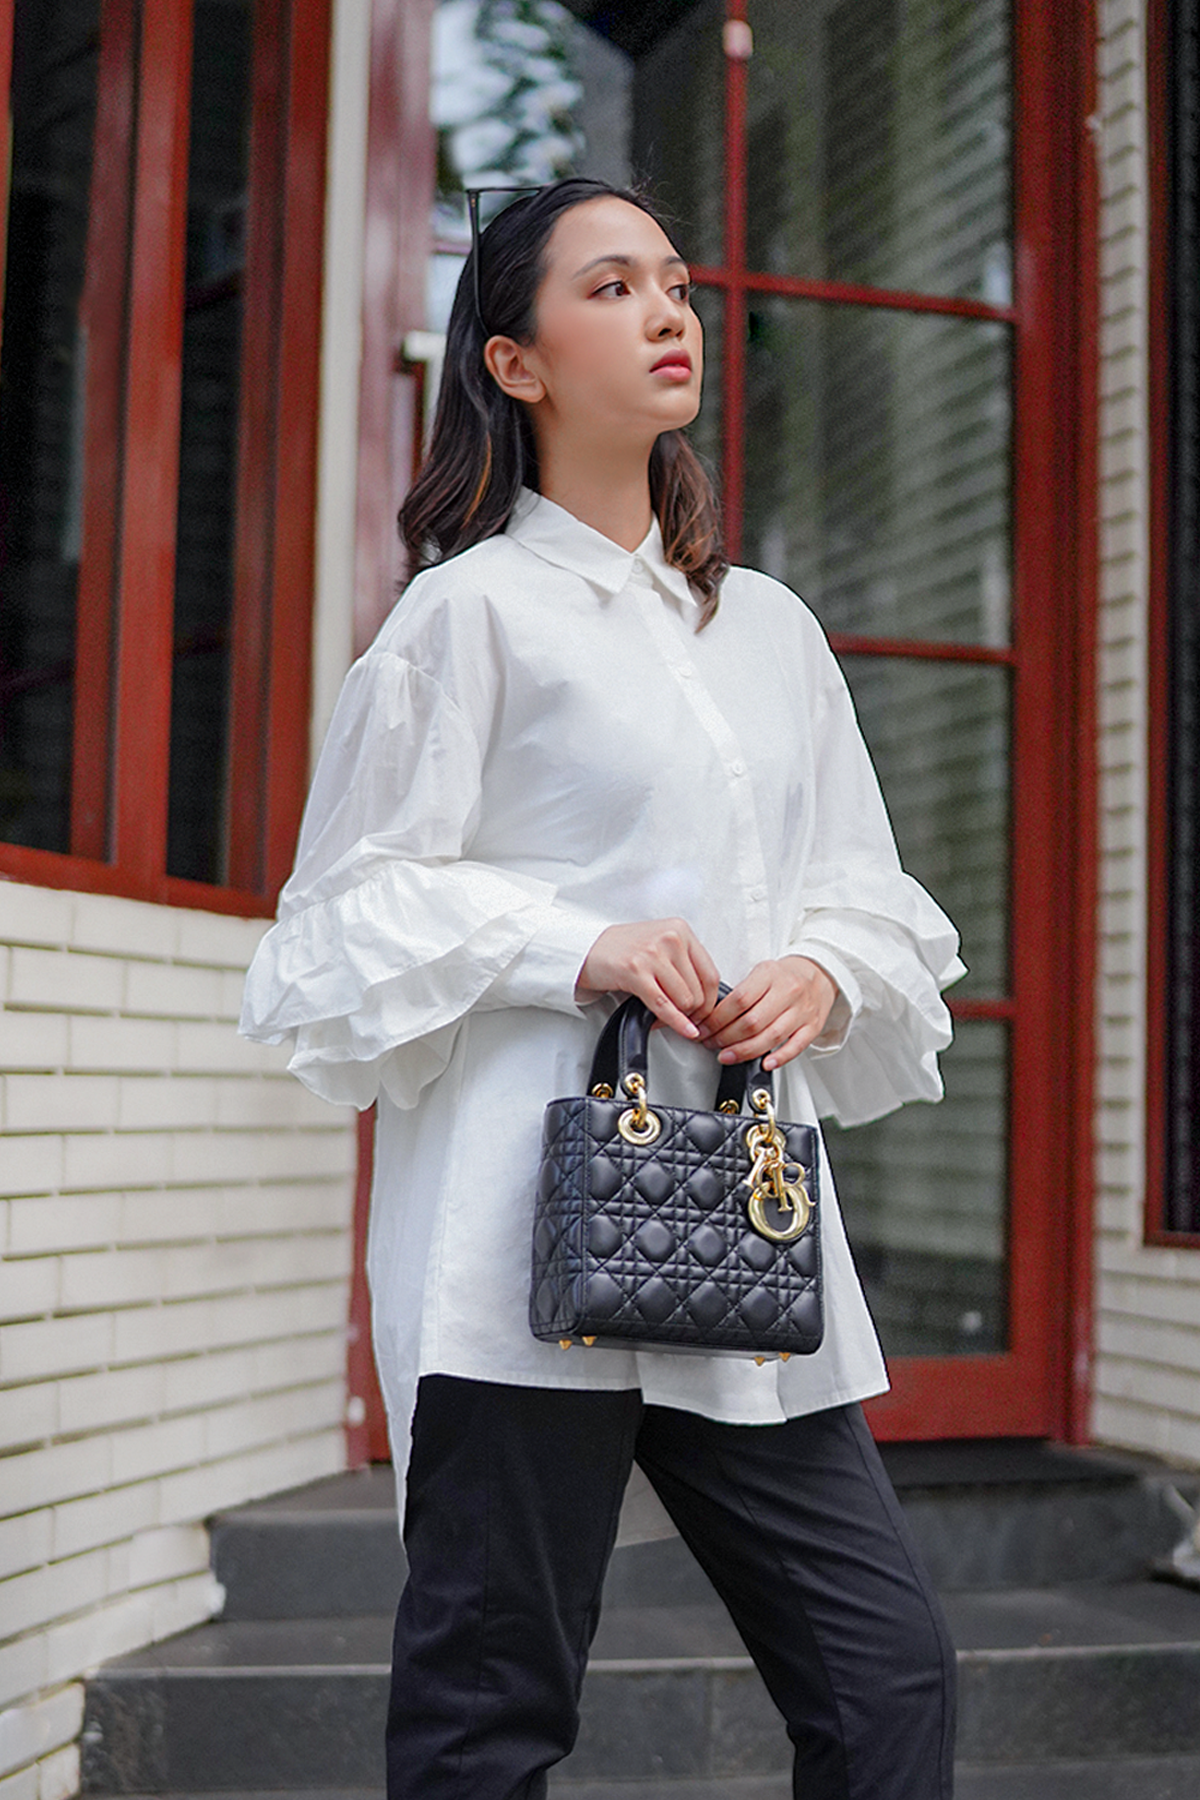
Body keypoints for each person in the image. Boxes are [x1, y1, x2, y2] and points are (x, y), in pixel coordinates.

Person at [241, 175, 965, 1800]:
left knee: (886, 1676)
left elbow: (860, 884)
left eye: (677, 285)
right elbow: (337, 919)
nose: (666, 314)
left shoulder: (767, 629)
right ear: (514, 362)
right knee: (489, 1717)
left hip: (741, 1223)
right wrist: (578, 946)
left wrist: (822, 974)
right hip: (520, 1241)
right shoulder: (465, 617)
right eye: (613, 286)